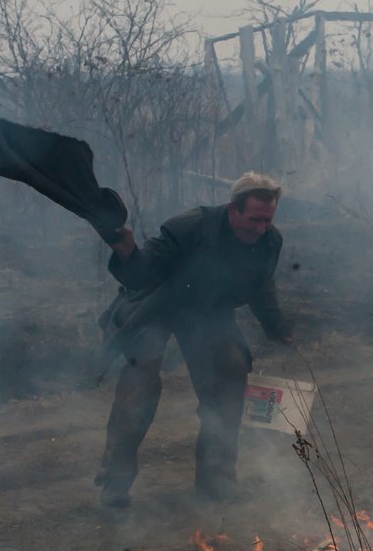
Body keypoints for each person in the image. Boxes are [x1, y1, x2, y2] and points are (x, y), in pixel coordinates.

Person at [94, 172, 295, 509]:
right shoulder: (189, 227)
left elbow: (262, 287)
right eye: (254, 220)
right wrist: (127, 249)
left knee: (230, 373)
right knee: (139, 385)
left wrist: (278, 328)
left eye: (267, 220)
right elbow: (142, 273)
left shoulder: (269, 241)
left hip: (205, 312)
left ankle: (217, 482)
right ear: (233, 210)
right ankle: (115, 482)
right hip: (156, 303)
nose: (260, 228)